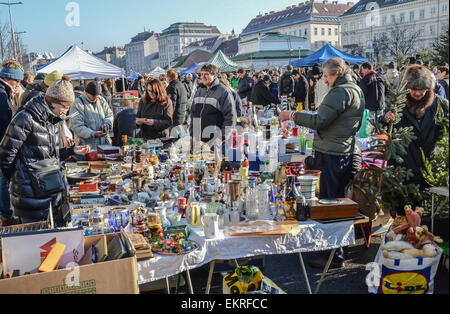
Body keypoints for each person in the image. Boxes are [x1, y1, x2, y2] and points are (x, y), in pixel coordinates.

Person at [279, 57, 365, 268]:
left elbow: (320, 121)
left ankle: (334, 255)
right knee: (337, 203)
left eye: (326, 76)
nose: (325, 81)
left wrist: (291, 115)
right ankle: (336, 251)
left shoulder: (340, 92)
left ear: (335, 74)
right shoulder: (354, 88)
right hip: (341, 150)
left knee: (330, 204)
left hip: (332, 154)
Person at [0, 77, 90, 226]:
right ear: (54, 102)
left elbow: (49, 155)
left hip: (48, 192)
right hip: (30, 197)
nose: (66, 112)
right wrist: (18, 177)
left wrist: (71, 151)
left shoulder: (52, 120)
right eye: (65, 107)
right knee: (34, 242)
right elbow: (5, 154)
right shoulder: (25, 118)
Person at [385, 65, 449, 197]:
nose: (418, 93)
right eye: (414, 89)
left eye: (422, 89)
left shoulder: (440, 104)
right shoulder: (398, 104)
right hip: (405, 168)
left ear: (429, 88)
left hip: (432, 168)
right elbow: (385, 127)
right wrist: (386, 119)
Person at [0, 60, 24, 227]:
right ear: (12, 80)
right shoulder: (2, 95)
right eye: (17, 82)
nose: (17, 86)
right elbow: (5, 126)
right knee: (1, 182)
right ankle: (5, 216)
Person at [191, 64, 236, 146]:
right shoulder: (199, 91)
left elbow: (230, 118)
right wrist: (193, 133)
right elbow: (193, 114)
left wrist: (221, 137)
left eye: (206, 74)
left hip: (216, 140)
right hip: (199, 140)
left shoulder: (223, 92)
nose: (203, 77)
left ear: (214, 75)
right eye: (202, 74)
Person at [69, 81, 114, 150]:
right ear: (86, 93)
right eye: (93, 96)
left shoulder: (101, 100)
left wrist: (106, 124)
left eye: (97, 96)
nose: (96, 98)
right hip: (86, 148)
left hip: (104, 145)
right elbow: (77, 126)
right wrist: (92, 133)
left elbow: (109, 115)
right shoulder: (77, 104)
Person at [166, 69, 188, 136]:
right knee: (179, 138)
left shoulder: (172, 86)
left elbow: (171, 104)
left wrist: (168, 116)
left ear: (169, 77)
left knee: (173, 139)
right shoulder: (181, 84)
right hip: (181, 114)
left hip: (175, 117)